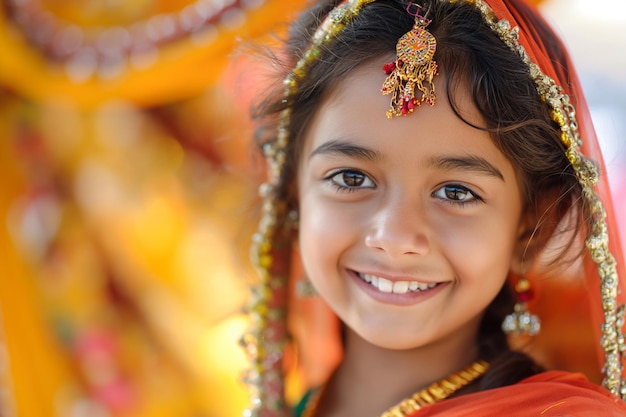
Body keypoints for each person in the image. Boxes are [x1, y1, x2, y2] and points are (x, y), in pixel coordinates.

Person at [238, 0, 626, 416]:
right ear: (294, 193)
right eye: (351, 179)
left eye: (456, 192)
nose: (394, 238)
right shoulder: (299, 405)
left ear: (531, 227)